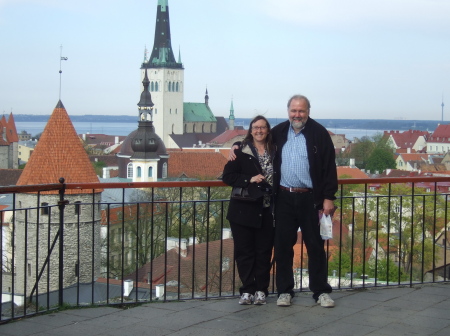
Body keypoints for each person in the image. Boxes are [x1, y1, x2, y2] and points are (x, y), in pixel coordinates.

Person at [229, 95, 337, 308]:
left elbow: (329, 167)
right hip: (284, 198)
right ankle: (284, 291)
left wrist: (328, 197)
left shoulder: (319, 134)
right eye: (294, 111)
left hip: (311, 198)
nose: (297, 115)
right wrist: (236, 145)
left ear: (308, 111)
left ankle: (321, 292)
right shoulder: (278, 132)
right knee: (282, 246)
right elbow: (255, 138)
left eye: (302, 111)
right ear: (288, 111)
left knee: (315, 246)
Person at [222, 115, 275, 305]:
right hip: (243, 210)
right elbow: (227, 176)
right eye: (255, 127)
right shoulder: (241, 150)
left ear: (268, 130)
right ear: (251, 130)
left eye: (262, 127)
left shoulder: (275, 149)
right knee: (244, 252)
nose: (259, 130)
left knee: (263, 251)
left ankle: (261, 290)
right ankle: (247, 290)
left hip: (267, 208)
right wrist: (249, 179)